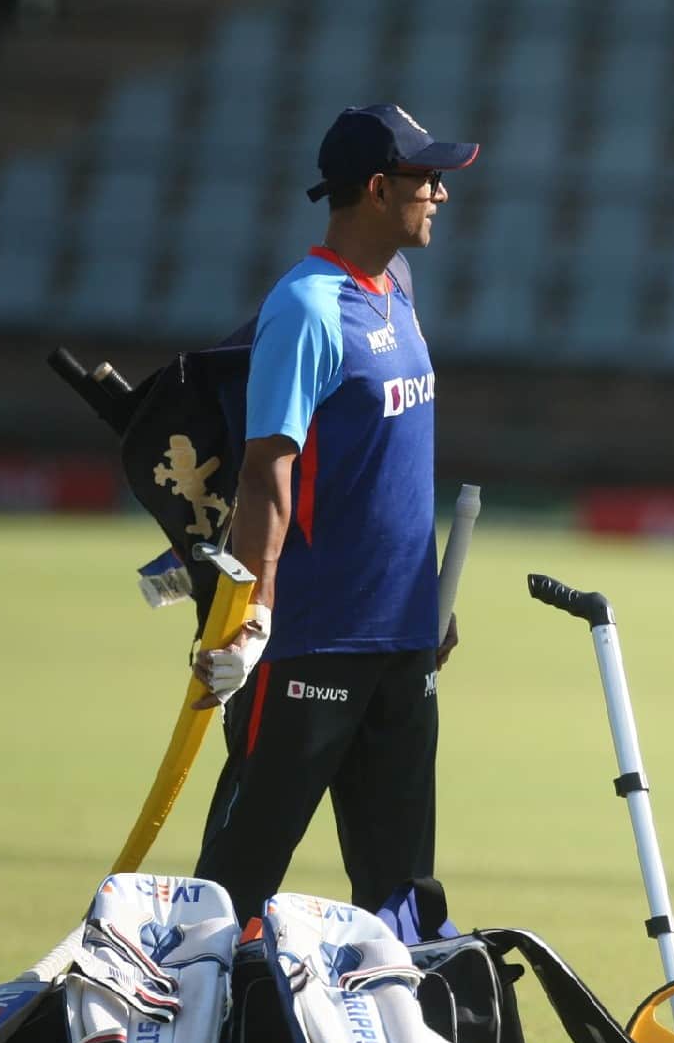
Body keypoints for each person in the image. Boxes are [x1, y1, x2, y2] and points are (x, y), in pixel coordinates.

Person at [189, 104, 479, 928]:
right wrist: (253, 612)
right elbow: (265, 471)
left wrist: (424, 602)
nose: (441, 196)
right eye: (428, 179)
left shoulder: (397, 286)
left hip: (399, 640)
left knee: (401, 894)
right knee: (233, 888)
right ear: (380, 189)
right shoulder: (308, 307)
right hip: (312, 639)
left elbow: (389, 464)